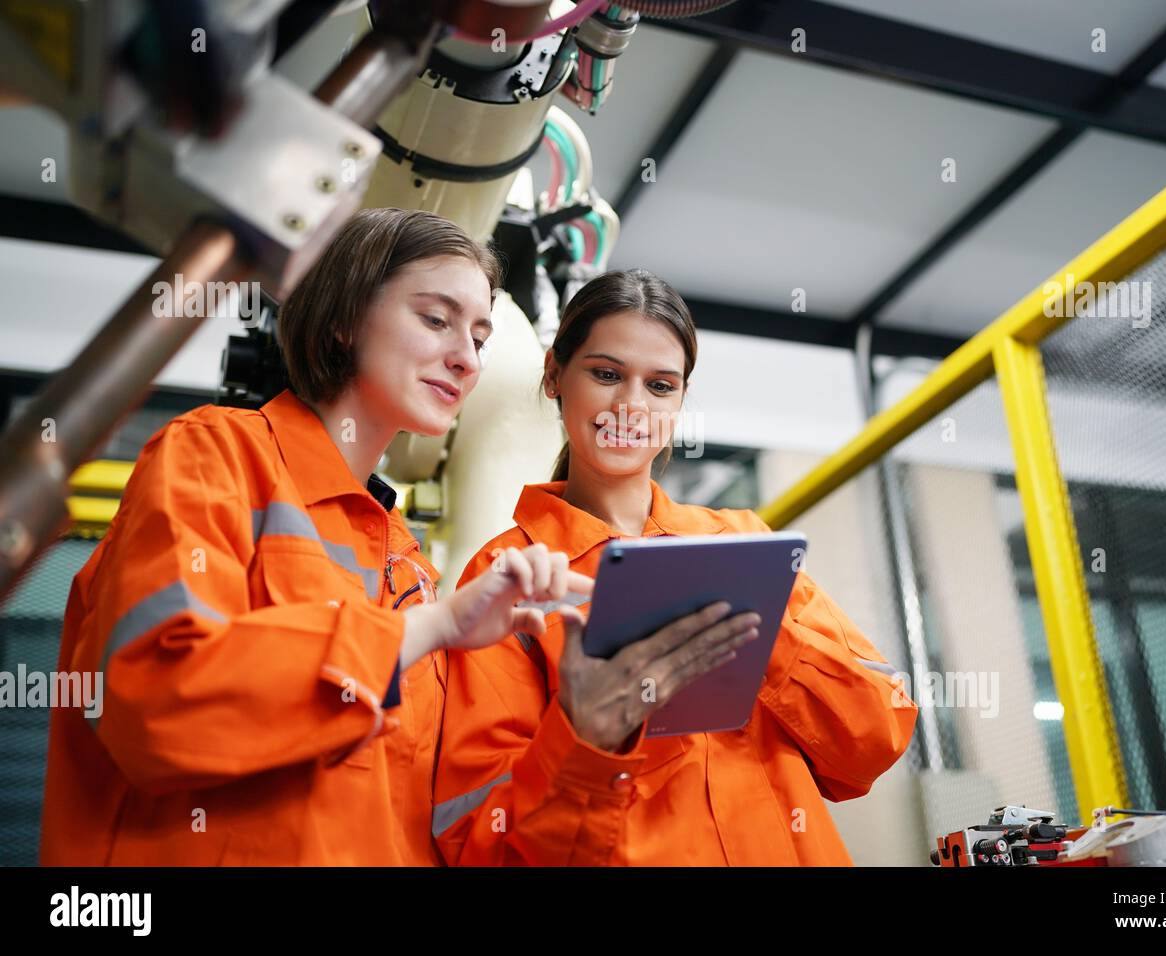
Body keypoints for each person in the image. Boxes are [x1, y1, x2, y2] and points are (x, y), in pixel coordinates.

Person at [39, 210, 743, 865]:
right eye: (437, 319)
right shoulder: (215, 456)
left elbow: (456, 838)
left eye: (478, 338)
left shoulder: (404, 562)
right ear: (345, 318)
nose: (467, 359)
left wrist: (586, 734)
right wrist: (428, 630)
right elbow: (159, 705)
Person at [434, 269, 919, 866]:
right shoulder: (511, 577)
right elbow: (479, 837)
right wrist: (587, 738)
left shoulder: (743, 544)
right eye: (606, 374)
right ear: (555, 376)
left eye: (660, 386)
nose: (631, 406)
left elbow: (874, 743)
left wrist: (764, 635)